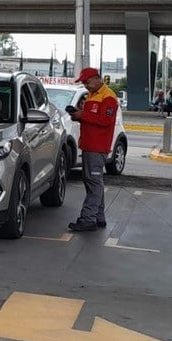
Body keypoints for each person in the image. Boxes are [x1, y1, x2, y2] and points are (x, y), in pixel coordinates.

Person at [67, 67, 119, 232]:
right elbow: (93, 119)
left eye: (87, 82)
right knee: (94, 182)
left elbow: (106, 120)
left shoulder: (108, 97)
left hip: (97, 147)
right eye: (83, 83)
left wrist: (82, 115)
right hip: (90, 145)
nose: (85, 86)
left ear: (97, 79)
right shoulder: (92, 95)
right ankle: (98, 217)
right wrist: (78, 115)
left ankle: (87, 219)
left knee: (94, 183)